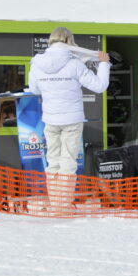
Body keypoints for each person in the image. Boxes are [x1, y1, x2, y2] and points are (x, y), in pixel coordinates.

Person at [28, 26, 111, 209]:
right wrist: (104, 64)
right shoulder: (74, 63)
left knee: (53, 161)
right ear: (69, 41)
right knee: (68, 162)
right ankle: (63, 205)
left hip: (50, 119)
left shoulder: (36, 64)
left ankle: (56, 202)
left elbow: (34, 90)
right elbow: (99, 86)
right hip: (72, 119)